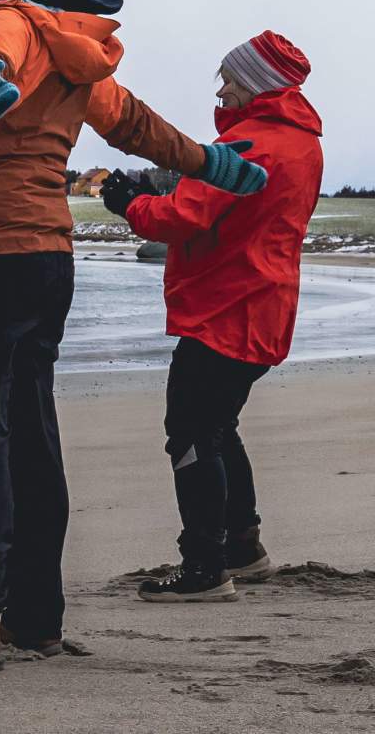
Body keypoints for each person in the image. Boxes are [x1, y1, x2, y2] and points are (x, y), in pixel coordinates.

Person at [0, 0, 267, 674]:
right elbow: (132, 122)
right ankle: (36, 617)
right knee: (30, 435)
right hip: (45, 260)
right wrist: (208, 162)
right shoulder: (72, 45)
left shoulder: (10, 20)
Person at [100, 32, 322, 602]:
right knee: (219, 428)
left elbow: (181, 218)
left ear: (258, 85)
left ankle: (203, 565)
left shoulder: (252, 144)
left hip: (228, 309)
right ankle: (242, 548)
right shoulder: (300, 143)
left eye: (231, 79)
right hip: (265, 306)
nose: (221, 88)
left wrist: (127, 203)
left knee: (192, 432)